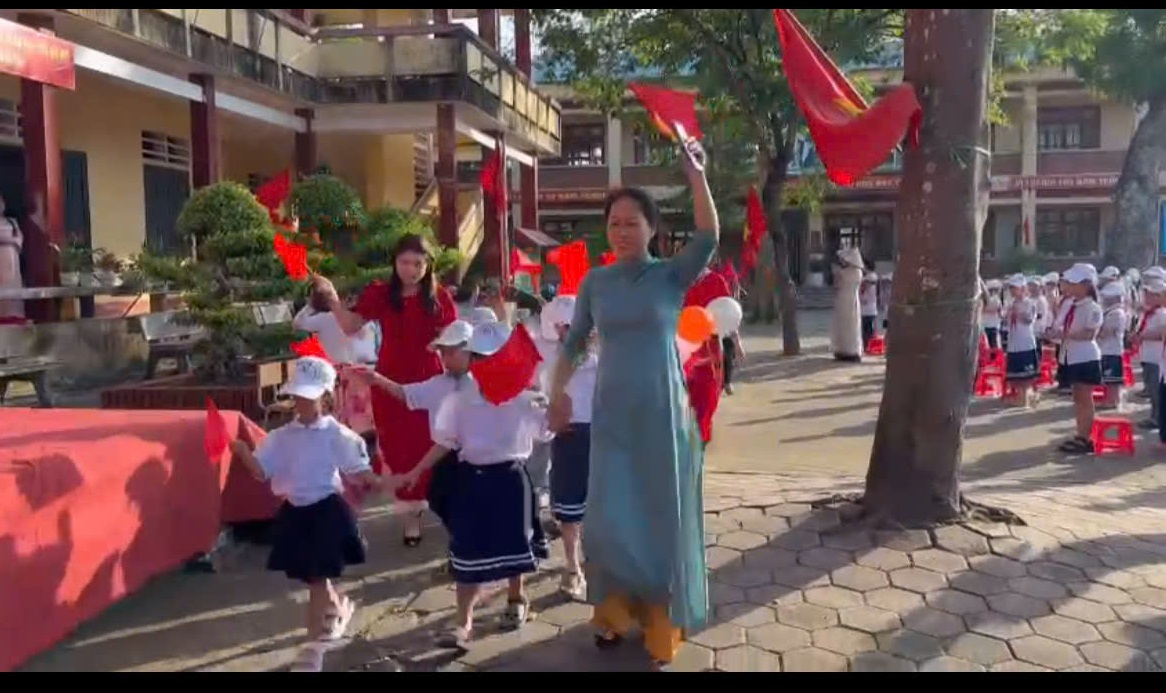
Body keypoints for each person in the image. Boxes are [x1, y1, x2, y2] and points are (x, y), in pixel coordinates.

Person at [546, 136, 716, 669]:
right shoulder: (596, 282)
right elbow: (575, 343)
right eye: (614, 222)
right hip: (611, 415)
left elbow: (709, 235)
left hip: (663, 414)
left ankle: (662, 618)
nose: (621, 231)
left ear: (652, 229)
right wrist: (556, 393)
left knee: (659, 514)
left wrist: (696, 174)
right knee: (610, 516)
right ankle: (614, 611)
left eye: (632, 222)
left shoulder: (670, 275)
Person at [392, 321, 551, 651]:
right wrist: (416, 471)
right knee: (466, 552)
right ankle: (462, 623)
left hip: (511, 481)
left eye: (492, 357)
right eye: (478, 357)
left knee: (514, 546)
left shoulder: (526, 400)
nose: (485, 364)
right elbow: (445, 442)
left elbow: (549, 431)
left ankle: (516, 598)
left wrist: (557, 405)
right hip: (471, 481)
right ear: (472, 360)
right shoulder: (458, 401)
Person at [229, 357, 381, 672]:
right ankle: (335, 615)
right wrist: (243, 452)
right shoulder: (282, 436)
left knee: (317, 581)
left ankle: (314, 651)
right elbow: (261, 471)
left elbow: (359, 469)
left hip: (327, 513)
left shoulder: (335, 433)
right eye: (298, 396)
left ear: (325, 397)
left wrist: (385, 481)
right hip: (296, 515)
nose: (302, 403)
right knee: (315, 578)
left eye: (309, 397)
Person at [315, 234, 458, 548]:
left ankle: (443, 509)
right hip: (388, 379)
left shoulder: (440, 297)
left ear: (428, 265)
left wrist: (443, 349)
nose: (411, 270)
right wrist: (333, 300)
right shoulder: (381, 293)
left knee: (434, 443)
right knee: (398, 448)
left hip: (429, 378)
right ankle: (410, 518)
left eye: (418, 263)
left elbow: (454, 338)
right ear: (395, 262)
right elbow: (351, 325)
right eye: (405, 262)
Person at [355, 320, 475, 527]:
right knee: (444, 503)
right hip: (446, 461)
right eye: (443, 353)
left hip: (479, 461)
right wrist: (377, 379)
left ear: (470, 351)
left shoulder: (485, 384)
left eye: (451, 352)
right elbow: (407, 394)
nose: (445, 359)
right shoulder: (439, 384)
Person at [541, 295, 598, 601]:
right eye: (563, 327)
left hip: (601, 437)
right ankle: (572, 566)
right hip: (569, 436)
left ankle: (597, 562)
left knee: (600, 505)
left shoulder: (605, 358)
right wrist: (549, 419)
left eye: (574, 326)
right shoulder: (551, 360)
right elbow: (539, 399)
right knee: (569, 508)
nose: (568, 332)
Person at [293, 286, 382, 447]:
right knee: (355, 420)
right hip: (349, 375)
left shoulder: (365, 320)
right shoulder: (330, 319)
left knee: (357, 420)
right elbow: (298, 324)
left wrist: (311, 305)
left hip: (358, 375)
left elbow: (298, 322)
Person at [1053, 264, 1103, 454]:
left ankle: (1085, 438)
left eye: (1074, 283)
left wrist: (1064, 334)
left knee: (1084, 398)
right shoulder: (1070, 304)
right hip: (1070, 355)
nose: (1069, 286)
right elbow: (1060, 325)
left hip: (1085, 357)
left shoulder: (1093, 307)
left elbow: (1089, 334)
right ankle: (1080, 434)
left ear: (1086, 285)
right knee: (1077, 398)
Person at [684, 266, 732, 445]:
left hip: (708, 354)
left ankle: (699, 446)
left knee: (706, 405)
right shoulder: (675, 280)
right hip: (681, 353)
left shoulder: (716, 282)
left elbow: (728, 315)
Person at [1004, 274, 1039, 409]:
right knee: (1016, 373)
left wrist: (1018, 313)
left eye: (1015, 288)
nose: (1012, 291)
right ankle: (1024, 396)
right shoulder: (1012, 303)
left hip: (1025, 342)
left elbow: (1029, 320)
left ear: (1023, 289)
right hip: (1014, 341)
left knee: (1026, 374)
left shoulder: (1030, 303)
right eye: (1011, 288)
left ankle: (1025, 398)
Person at [1135, 279, 1166, 429]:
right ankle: (1155, 416)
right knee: (1152, 390)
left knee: (1156, 391)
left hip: (1157, 357)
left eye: (1151, 295)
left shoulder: (1162, 314)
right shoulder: (1150, 313)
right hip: (1147, 355)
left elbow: (1161, 335)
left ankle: (1158, 418)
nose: (1147, 297)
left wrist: (1143, 336)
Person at [1097, 282, 1128, 410]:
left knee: (1112, 379)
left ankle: (1113, 400)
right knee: (1109, 378)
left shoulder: (1116, 313)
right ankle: (1111, 399)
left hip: (1112, 349)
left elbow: (1106, 332)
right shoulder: (1110, 312)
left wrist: (1097, 332)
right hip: (1107, 348)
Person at [831, 248, 865, 363]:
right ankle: (846, 349)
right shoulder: (857, 272)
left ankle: (848, 350)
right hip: (847, 300)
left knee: (849, 326)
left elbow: (837, 282)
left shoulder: (849, 272)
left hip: (846, 298)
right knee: (848, 325)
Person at [0, 195, 24, 320]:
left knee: (12, 289)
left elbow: (19, 238)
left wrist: (13, 243)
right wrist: (9, 241)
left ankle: (14, 317)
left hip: (12, 259)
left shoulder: (12, 222)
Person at [860, 272, 880, 347]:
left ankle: (867, 345)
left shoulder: (865, 284)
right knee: (871, 330)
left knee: (867, 330)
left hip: (866, 311)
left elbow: (863, 299)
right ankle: (870, 345)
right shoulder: (875, 284)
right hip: (872, 311)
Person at [982, 279, 1003, 350]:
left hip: (992, 326)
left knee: (993, 346)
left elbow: (999, 312)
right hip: (987, 326)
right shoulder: (986, 300)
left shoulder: (996, 300)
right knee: (990, 347)